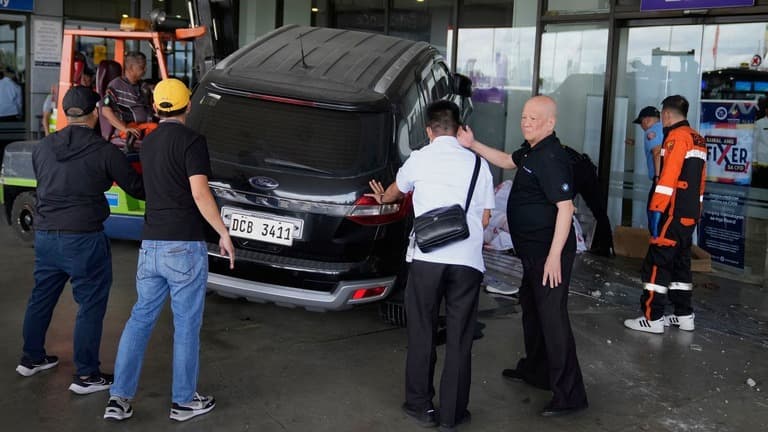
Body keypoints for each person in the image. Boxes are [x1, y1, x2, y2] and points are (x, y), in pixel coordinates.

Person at [104, 78, 235, 422]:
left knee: (140, 319)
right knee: (186, 325)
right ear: (188, 105)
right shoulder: (193, 142)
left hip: (151, 246)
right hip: (184, 246)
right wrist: (222, 232)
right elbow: (200, 193)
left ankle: (118, 398)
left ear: (155, 108)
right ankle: (183, 401)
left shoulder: (148, 143)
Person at [457, 95, 588, 417]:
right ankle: (537, 371)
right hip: (531, 253)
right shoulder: (532, 151)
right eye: (524, 117)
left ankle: (570, 395)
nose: (526, 122)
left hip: (548, 254)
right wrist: (473, 144)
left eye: (533, 118)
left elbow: (565, 209)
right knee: (532, 311)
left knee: (553, 320)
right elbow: (506, 161)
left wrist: (554, 257)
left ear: (550, 123)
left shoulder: (552, 157)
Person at [368, 100, 494, 431]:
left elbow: (395, 193)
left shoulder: (419, 159)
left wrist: (383, 197)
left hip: (427, 259)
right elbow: (484, 218)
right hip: (467, 262)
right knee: (460, 337)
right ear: (459, 129)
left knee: (422, 331)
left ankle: (420, 405)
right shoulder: (479, 164)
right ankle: (453, 414)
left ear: (429, 130)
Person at [16, 86, 144, 395]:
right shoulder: (105, 151)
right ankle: (86, 374)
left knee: (41, 297)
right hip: (83, 239)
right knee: (90, 304)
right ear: (95, 114)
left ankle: (31, 358)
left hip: (46, 235)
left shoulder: (43, 147)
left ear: (65, 113)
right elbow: (137, 188)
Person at [624, 95, 706, 334]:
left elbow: (668, 177)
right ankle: (684, 315)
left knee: (657, 263)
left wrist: (657, 209)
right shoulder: (698, 138)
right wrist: (697, 210)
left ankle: (653, 318)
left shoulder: (676, 137)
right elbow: (700, 183)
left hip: (672, 212)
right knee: (681, 263)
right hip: (689, 213)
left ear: (667, 115)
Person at [560, 145, 614, 257]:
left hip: (577, 172)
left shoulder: (549, 150)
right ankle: (607, 247)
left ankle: (564, 243)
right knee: (599, 210)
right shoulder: (561, 148)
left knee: (563, 207)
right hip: (586, 170)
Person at [101, 51, 156, 142]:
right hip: (130, 133)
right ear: (130, 68)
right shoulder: (116, 85)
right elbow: (106, 111)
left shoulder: (143, 86)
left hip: (145, 129)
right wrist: (125, 128)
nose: (145, 70)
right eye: (142, 67)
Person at [629, 106, 664, 226]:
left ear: (647, 120)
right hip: (670, 178)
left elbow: (657, 152)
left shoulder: (651, 131)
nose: (642, 127)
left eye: (641, 123)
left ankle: (655, 237)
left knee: (653, 212)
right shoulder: (665, 129)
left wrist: (657, 177)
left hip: (660, 179)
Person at [752, 97, 768, 188]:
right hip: (762, 162)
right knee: (762, 187)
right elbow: (755, 143)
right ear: (766, 110)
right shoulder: (759, 123)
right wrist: (754, 161)